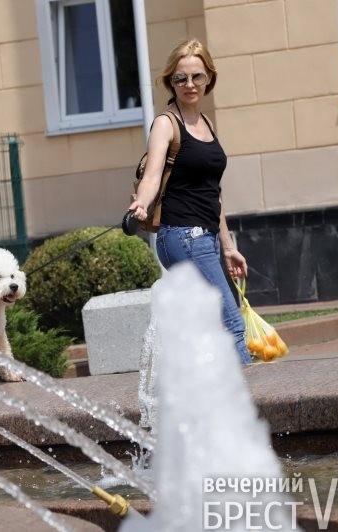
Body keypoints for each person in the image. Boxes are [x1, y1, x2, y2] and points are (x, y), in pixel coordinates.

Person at [128, 38, 252, 365]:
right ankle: (253, 403)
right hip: (182, 235)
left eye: (196, 76)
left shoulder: (207, 124)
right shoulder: (166, 124)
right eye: (180, 78)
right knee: (231, 322)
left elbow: (213, 192)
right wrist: (141, 203)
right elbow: (152, 175)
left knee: (208, 326)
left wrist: (227, 247)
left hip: (206, 238)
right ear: (171, 82)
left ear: (209, 77)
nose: (189, 84)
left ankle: (203, 393)